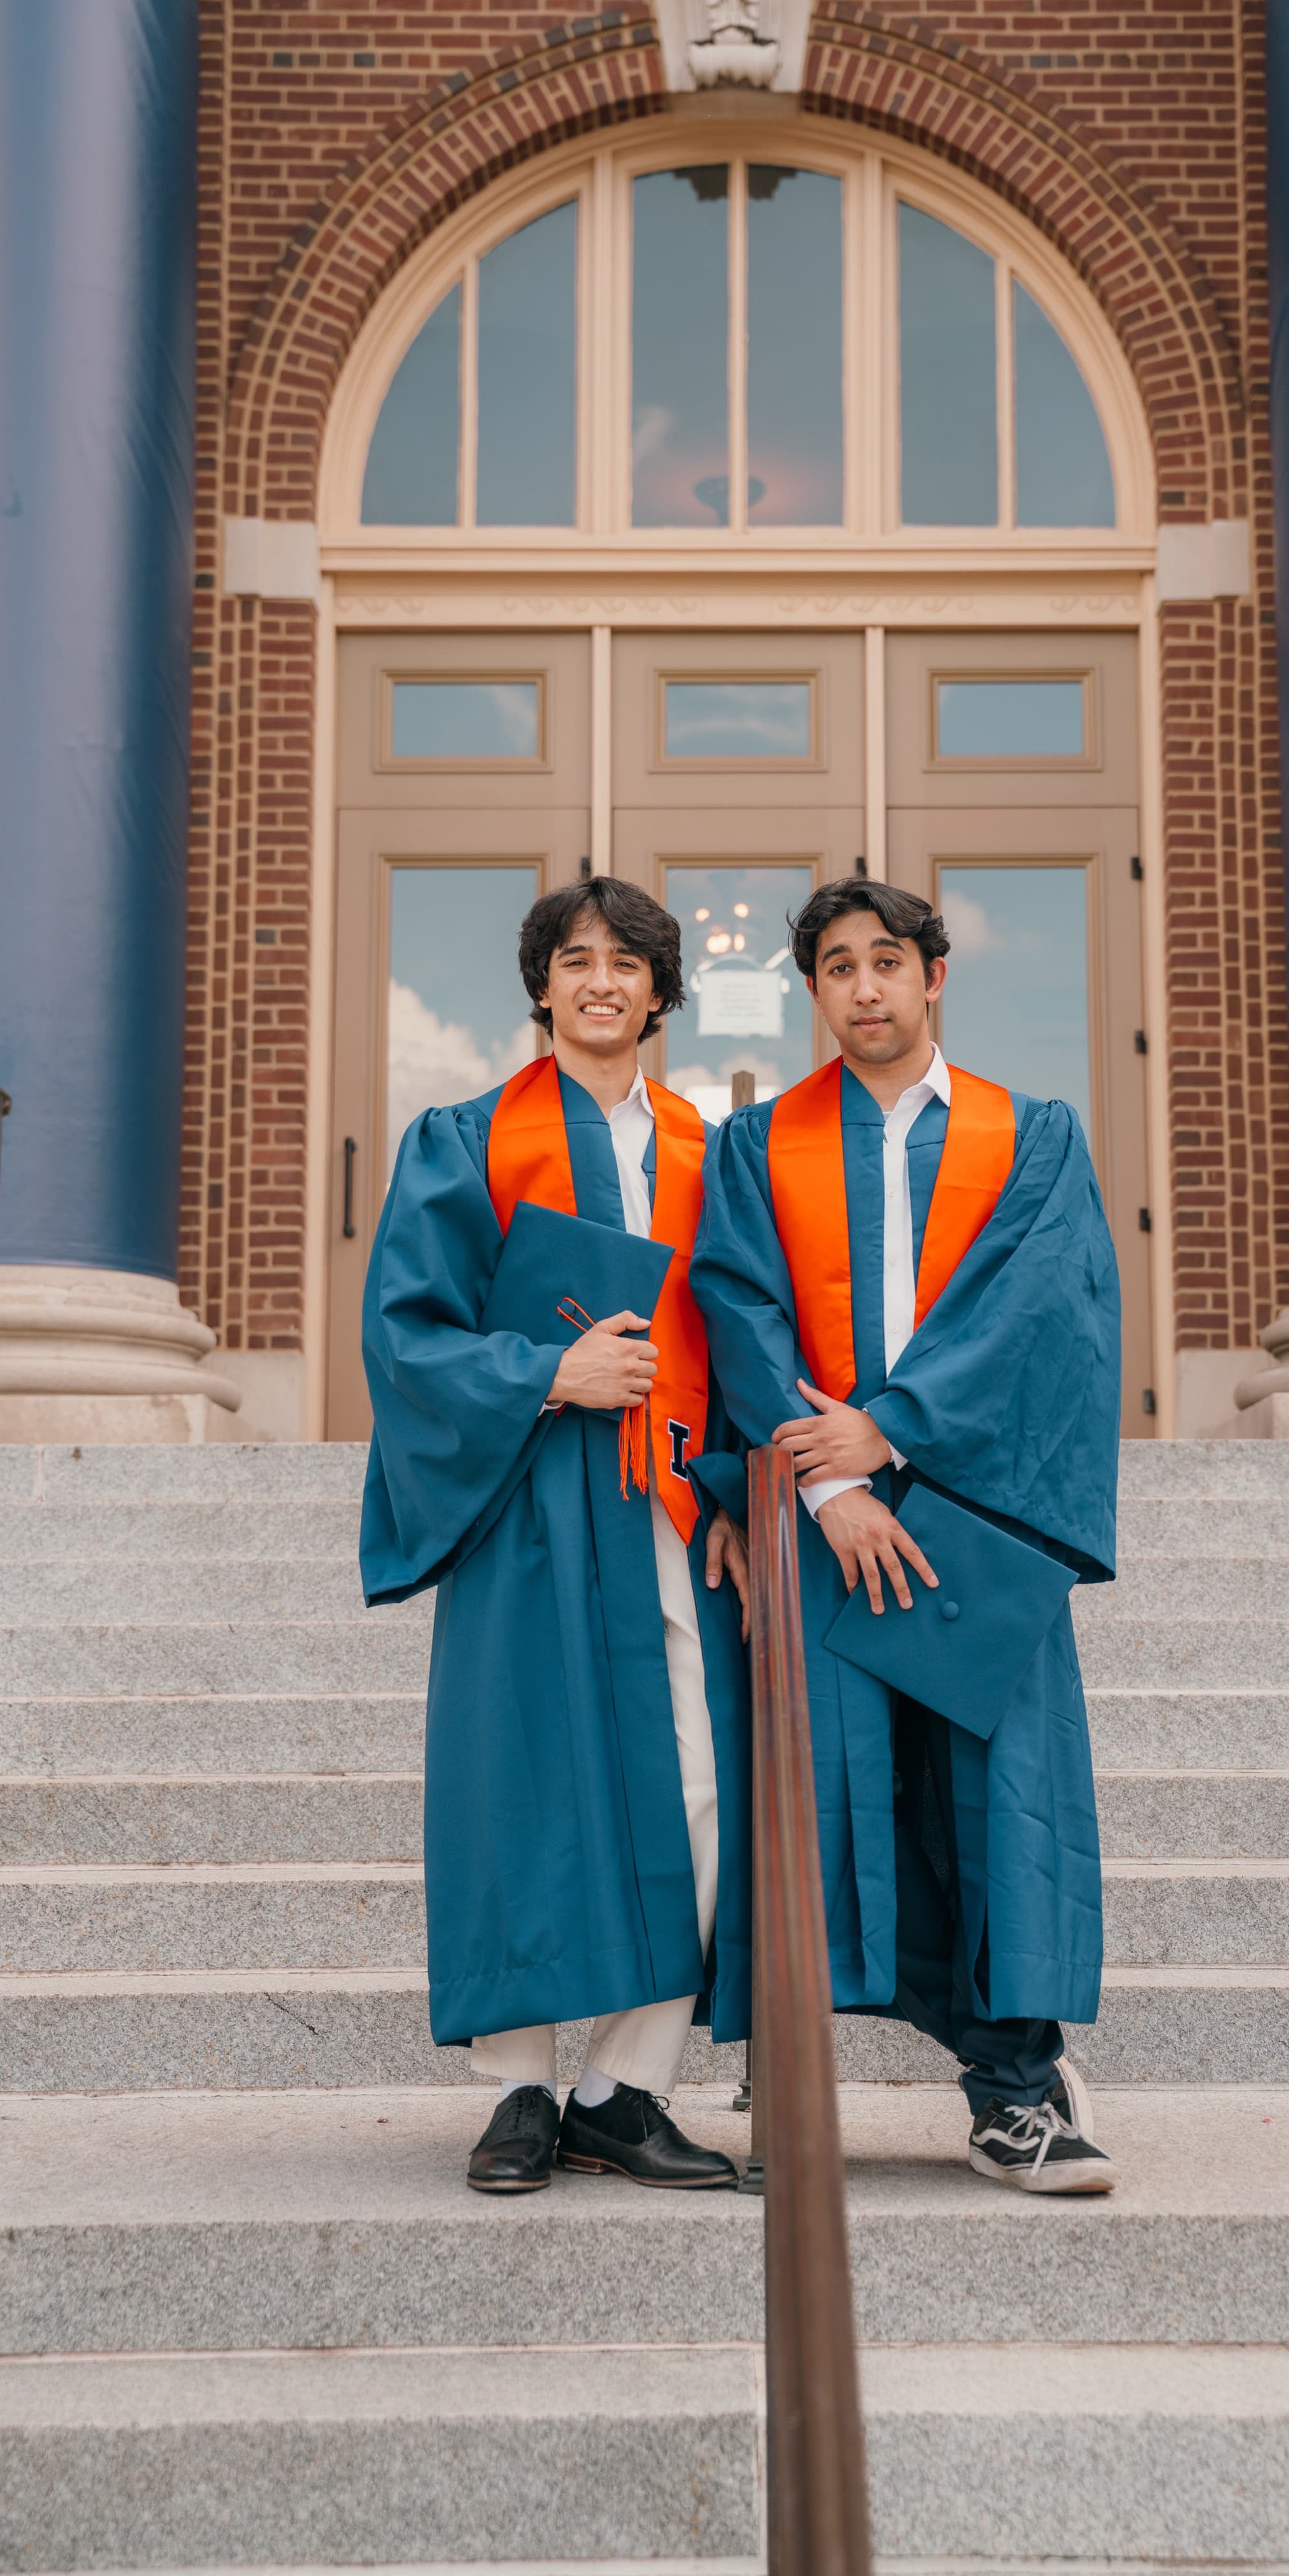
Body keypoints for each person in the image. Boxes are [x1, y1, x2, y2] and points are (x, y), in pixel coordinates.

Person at [690, 875, 1121, 2193]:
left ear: (935, 975)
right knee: (828, 1803)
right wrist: (828, 1488)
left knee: (994, 1808)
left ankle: (1015, 2095)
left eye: (888, 960)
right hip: (824, 1526)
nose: (865, 987)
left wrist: (892, 1433)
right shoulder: (758, 1145)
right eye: (838, 966)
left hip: (979, 1516)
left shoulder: (1030, 1134)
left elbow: (1039, 1312)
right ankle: (807, 2091)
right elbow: (738, 1313)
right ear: (813, 991)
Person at [359, 875, 752, 2195]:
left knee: (702, 1782)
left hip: (669, 1500)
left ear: (659, 990)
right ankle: (520, 2089)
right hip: (525, 1490)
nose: (601, 981)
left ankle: (623, 2089)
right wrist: (546, 1373)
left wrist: (742, 1488)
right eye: (576, 959)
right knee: (518, 1784)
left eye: (628, 962)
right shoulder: (465, 1140)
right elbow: (407, 1331)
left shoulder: (711, 1151)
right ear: (542, 984)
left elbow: (746, 1334)